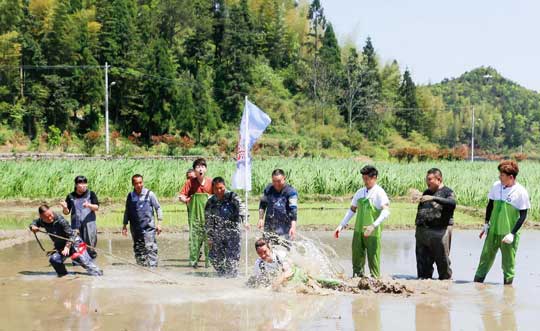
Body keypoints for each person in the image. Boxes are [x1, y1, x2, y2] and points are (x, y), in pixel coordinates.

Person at [474, 160, 530, 285]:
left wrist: (512, 233)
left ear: (511, 177)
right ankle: (477, 284)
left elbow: (523, 215)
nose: (499, 177)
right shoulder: (496, 186)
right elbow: (490, 205)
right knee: (485, 258)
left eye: (502, 175)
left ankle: (508, 290)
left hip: (508, 234)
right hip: (493, 231)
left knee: (508, 263)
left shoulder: (521, 192)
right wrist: (486, 224)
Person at [334, 165, 390, 278]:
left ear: (374, 178)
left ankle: (376, 282)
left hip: (373, 233)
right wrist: (341, 225)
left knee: (373, 260)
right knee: (356, 259)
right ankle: (357, 280)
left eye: (367, 179)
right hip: (358, 231)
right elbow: (352, 210)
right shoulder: (360, 192)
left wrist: (373, 225)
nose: (365, 182)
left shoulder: (379, 193)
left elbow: (386, 212)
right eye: (363, 179)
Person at [29, 204, 102, 277]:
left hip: (74, 244)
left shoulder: (60, 220)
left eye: (51, 215)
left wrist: (67, 247)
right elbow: (34, 223)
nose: (50, 218)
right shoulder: (42, 221)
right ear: (41, 217)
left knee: (83, 261)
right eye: (47, 217)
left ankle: (99, 275)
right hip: (60, 246)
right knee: (54, 260)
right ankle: (63, 276)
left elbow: (72, 235)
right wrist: (33, 227)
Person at [414, 168, 456, 280]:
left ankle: (445, 286)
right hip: (422, 231)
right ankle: (424, 287)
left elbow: (452, 203)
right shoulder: (427, 192)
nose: (427, 182)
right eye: (426, 179)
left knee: (443, 263)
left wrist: (434, 198)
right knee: (422, 264)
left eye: (429, 179)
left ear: (439, 179)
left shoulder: (447, 192)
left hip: (439, 232)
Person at [204, 177, 247, 277]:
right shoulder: (211, 201)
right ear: (213, 189)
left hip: (233, 233)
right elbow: (208, 219)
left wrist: (245, 221)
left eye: (221, 188)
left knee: (232, 261)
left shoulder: (232, 196)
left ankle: (232, 279)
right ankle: (222, 276)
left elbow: (242, 207)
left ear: (224, 186)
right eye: (216, 189)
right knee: (214, 258)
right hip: (217, 233)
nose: (219, 191)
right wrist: (210, 237)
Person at [122, 174, 163, 267]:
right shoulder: (130, 196)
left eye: (140, 183)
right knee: (138, 249)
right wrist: (124, 225)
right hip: (135, 228)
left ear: (143, 182)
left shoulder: (150, 194)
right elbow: (127, 211)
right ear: (133, 184)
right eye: (136, 183)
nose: (139, 185)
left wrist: (159, 223)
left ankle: (153, 269)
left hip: (148, 228)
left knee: (151, 249)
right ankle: (141, 269)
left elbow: (158, 208)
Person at [179, 158, 212, 267]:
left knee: (209, 238)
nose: (200, 169)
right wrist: (187, 199)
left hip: (209, 216)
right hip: (194, 216)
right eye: (198, 167)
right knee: (194, 239)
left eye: (202, 167)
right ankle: (193, 262)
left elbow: (218, 195)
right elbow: (181, 196)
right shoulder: (190, 182)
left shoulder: (211, 182)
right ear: (194, 170)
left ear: (206, 169)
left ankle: (209, 263)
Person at [60, 175, 100, 259]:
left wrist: (88, 205)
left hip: (89, 224)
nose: (83, 185)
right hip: (75, 225)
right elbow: (67, 212)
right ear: (76, 185)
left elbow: (97, 207)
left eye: (85, 183)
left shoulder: (91, 194)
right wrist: (64, 207)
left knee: (90, 245)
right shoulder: (70, 196)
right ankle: (78, 263)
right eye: (81, 183)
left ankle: (91, 263)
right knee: (76, 245)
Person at [258, 169, 298, 240]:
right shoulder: (268, 189)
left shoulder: (291, 192)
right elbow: (262, 204)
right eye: (274, 181)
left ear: (284, 179)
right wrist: (261, 218)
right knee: (268, 249)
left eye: (279, 181)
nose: (276, 184)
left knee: (283, 250)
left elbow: (293, 210)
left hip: (284, 229)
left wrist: (293, 227)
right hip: (269, 227)